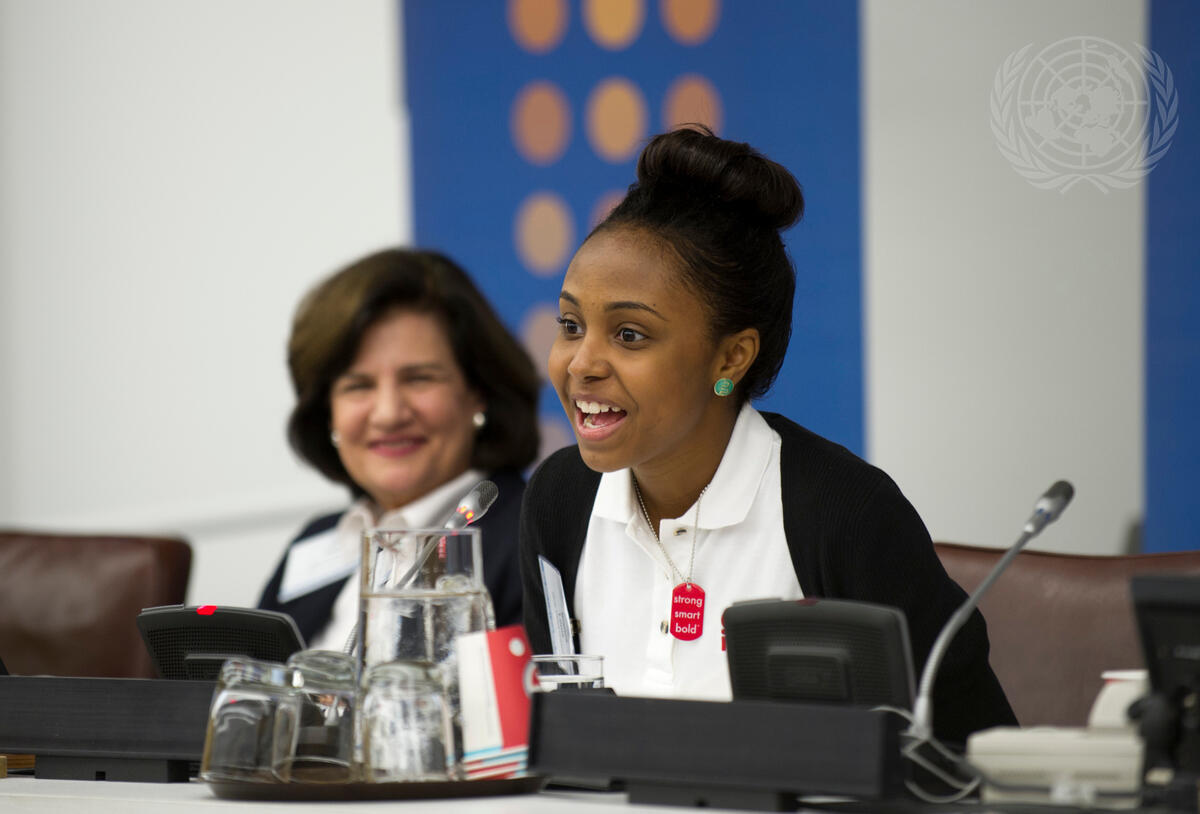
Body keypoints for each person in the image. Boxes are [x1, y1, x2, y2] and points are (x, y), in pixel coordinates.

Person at [519, 126, 1016, 746]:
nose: (580, 363)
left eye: (629, 335)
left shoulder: (843, 512)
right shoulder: (560, 499)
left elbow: (971, 757)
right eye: (570, 325)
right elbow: (555, 737)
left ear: (731, 357)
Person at [260, 248, 539, 649]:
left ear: (478, 392)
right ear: (328, 413)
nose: (389, 414)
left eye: (419, 379)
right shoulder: (315, 541)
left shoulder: (533, 538)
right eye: (358, 386)